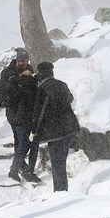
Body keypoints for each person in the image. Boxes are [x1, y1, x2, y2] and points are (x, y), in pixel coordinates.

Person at [30, 62, 80, 192]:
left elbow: (38, 112)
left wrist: (34, 130)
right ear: (51, 72)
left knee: (57, 163)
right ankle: (61, 190)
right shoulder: (62, 84)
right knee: (61, 162)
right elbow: (70, 99)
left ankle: (60, 192)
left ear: (41, 74)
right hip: (68, 128)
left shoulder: (42, 88)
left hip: (54, 131)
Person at [0, 48, 41, 182]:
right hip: (15, 113)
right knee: (22, 141)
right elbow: (3, 95)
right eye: (21, 61)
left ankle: (20, 167)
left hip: (28, 112)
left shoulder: (31, 72)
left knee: (24, 142)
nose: (24, 64)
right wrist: (17, 86)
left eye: (26, 61)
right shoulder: (8, 73)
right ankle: (17, 169)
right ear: (16, 61)